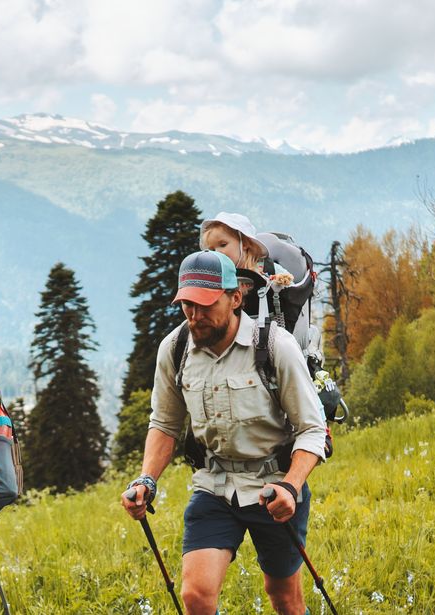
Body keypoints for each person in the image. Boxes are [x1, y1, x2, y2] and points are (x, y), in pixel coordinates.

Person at [120, 250, 329, 615]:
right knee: (196, 597)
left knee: (284, 599)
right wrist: (146, 480)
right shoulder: (175, 349)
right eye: (187, 304)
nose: (195, 315)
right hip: (215, 486)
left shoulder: (275, 346)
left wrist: (291, 487)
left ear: (236, 298)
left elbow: (312, 429)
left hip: (274, 488)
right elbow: (165, 424)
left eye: (205, 304)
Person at [199, 212, 324, 368]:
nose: (217, 253)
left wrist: (280, 280)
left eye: (223, 245)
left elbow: (286, 278)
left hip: (271, 334)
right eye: (211, 249)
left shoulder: (264, 269)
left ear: (244, 244)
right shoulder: (216, 277)